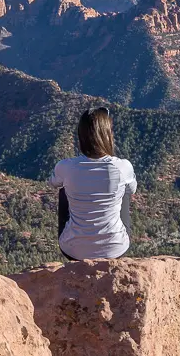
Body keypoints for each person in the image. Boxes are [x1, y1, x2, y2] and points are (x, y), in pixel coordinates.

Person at [52, 107, 137, 261]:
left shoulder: (65, 167)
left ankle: (77, 237)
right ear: (108, 135)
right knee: (123, 189)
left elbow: (53, 183)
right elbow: (132, 189)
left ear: (80, 137)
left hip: (72, 250)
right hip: (115, 249)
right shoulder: (122, 167)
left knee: (64, 190)